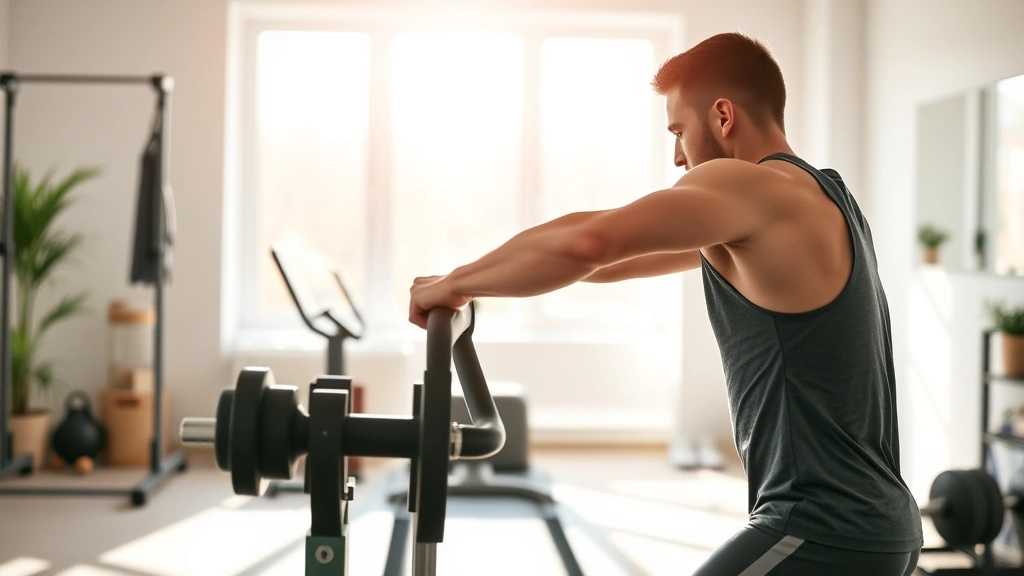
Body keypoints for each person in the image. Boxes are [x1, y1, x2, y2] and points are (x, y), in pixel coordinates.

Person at [408, 32, 922, 575]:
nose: (677, 155)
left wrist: (454, 285)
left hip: (821, 528)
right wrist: (465, 279)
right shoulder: (821, 197)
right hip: (881, 525)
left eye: (679, 129)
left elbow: (590, 244)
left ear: (723, 116)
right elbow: (603, 258)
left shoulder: (750, 188)